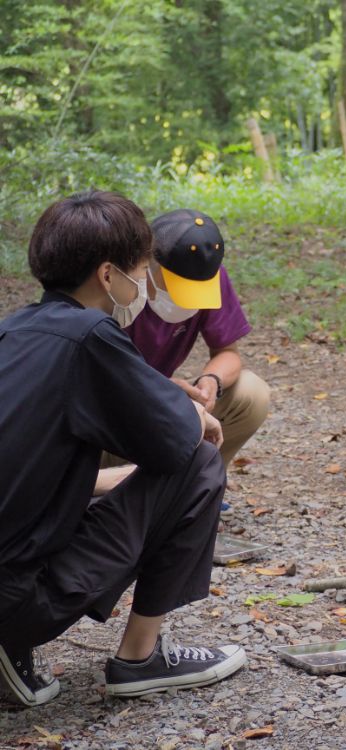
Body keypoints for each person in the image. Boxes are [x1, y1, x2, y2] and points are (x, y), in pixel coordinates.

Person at [0, 191, 246, 706]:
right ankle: (140, 657)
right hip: (19, 598)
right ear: (109, 276)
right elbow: (180, 441)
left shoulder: (13, 331)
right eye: (140, 271)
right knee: (199, 461)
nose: (143, 286)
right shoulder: (91, 334)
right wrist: (196, 415)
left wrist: (108, 479)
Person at [126, 208, 269, 469]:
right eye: (180, 284)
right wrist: (160, 390)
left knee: (252, 392)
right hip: (117, 409)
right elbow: (100, 381)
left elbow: (228, 352)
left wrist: (211, 381)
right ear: (147, 265)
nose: (191, 297)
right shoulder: (118, 291)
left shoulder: (208, 275)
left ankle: (202, 481)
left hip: (160, 399)